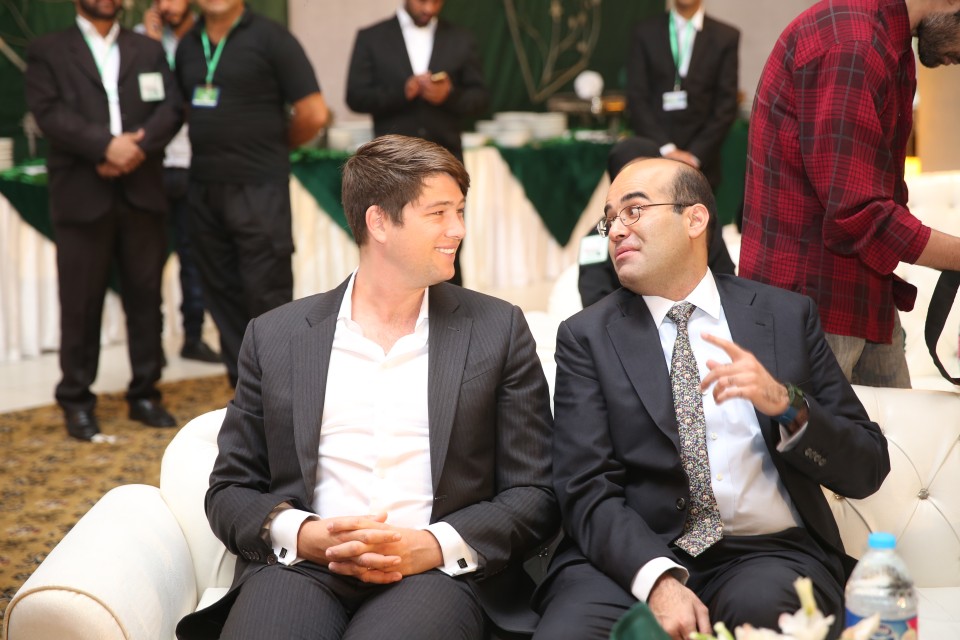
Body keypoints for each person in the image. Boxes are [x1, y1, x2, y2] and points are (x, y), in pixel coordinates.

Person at [175, 135, 558, 640]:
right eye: (439, 213)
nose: (458, 229)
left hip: (436, 574)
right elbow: (230, 489)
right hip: (302, 569)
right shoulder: (276, 336)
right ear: (378, 222)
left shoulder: (496, 329)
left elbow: (536, 491)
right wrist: (305, 535)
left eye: (460, 211)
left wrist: (433, 544)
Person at [534, 157, 890, 640]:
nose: (615, 230)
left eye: (633, 211)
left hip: (765, 554)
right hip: (627, 559)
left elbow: (867, 466)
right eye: (610, 219)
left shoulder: (784, 317)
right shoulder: (587, 337)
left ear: (695, 219)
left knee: (769, 617)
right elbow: (585, 487)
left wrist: (786, 404)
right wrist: (658, 580)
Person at [739, 0, 960, 388]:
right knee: (810, 432)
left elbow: (880, 197)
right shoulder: (852, 42)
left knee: (893, 431)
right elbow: (859, 212)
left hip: (864, 298)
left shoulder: (890, 44)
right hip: (811, 309)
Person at [25, 0, 182, 440]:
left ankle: (146, 393)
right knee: (80, 302)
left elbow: (171, 107)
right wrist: (104, 146)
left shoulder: (147, 49)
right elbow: (49, 112)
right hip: (82, 192)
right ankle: (76, 399)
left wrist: (136, 147)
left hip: (142, 187)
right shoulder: (49, 49)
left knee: (145, 298)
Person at [174, 0, 329, 386]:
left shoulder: (272, 38)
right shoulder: (188, 44)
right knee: (219, 292)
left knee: (266, 294)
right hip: (204, 187)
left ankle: (280, 393)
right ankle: (243, 389)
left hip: (259, 188)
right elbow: (186, 108)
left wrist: (274, 146)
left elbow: (313, 113)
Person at [346, 0, 490, 286]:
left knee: (447, 235)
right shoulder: (372, 37)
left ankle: (449, 306)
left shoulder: (461, 38)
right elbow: (355, 97)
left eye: (437, 2)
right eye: (423, 1)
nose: (429, 9)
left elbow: (481, 99)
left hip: (446, 160)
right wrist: (402, 92)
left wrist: (449, 95)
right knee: (392, 236)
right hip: (392, 164)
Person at [137, 0, 220, 364]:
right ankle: (151, 342)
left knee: (194, 255)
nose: (167, 6)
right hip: (151, 163)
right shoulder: (140, 40)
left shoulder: (207, 39)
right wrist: (151, 46)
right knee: (147, 258)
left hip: (193, 161)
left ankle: (193, 336)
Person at [578, 137, 735, 308]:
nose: (616, 231)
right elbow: (594, 301)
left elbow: (726, 282)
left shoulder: (692, 219)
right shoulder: (598, 236)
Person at [624, 0, 739, 190]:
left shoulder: (725, 37)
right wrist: (667, 150)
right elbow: (637, 98)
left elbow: (726, 105)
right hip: (653, 160)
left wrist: (694, 156)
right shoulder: (644, 32)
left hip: (703, 166)